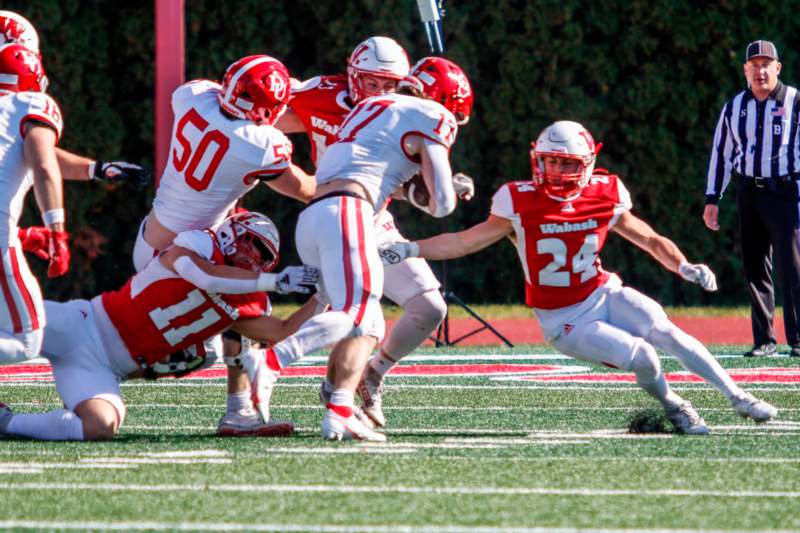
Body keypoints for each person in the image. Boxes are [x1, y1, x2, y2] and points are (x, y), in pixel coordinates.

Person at [381, 120, 778, 434]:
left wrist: (684, 265)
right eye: (550, 161)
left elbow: (650, 239)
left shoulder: (605, 192)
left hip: (602, 290)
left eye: (566, 162)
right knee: (644, 356)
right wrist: (414, 248)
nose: (556, 170)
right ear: (537, 159)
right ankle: (675, 405)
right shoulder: (518, 200)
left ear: (586, 163)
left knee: (665, 330)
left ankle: (738, 396)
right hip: (562, 319)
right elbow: (464, 241)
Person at [247, 56, 473, 442]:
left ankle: (339, 411)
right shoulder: (434, 114)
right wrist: (449, 187)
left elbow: (396, 179)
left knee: (366, 321)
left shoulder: (369, 107)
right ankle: (271, 361)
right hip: (350, 213)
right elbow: (442, 207)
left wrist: (430, 186)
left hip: (318, 215)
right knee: (356, 316)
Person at [0, 211, 319, 441]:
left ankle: (6, 422)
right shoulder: (198, 243)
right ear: (231, 232)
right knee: (13, 333)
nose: (252, 255)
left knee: (100, 426)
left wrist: (324, 295)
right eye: (252, 243)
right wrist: (273, 280)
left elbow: (281, 331)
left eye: (262, 254)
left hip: (104, 367)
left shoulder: (247, 296)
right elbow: (203, 276)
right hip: (84, 324)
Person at [134, 54, 316, 437]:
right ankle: (188, 361)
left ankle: (227, 393)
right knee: (258, 314)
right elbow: (307, 189)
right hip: (183, 259)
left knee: (248, 249)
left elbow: (250, 118)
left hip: (157, 238)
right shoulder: (262, 146)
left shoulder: (192, 96)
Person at [704, 39, 800, 358]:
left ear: (778, 67)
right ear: (746, 70)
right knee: (755, 266)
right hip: (749, 192)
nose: (760, 71)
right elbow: (722, 153)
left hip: (786, 192)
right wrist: (712, 198)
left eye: (766, 64)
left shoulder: (795, 101)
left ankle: (798, 339)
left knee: (792, 266)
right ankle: (764, 340)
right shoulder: (735, 106)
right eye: (754, 65)